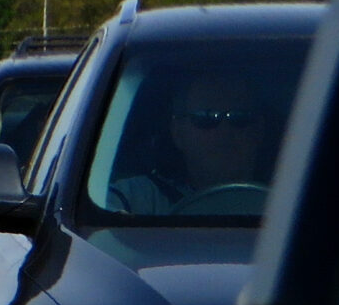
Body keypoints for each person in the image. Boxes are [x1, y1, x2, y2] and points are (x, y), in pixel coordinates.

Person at [107, 71, 272, 215]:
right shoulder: (137, 199)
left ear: (259, 130)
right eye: (205, 117)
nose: (224, 131)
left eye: (239, 117)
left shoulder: (291, 201)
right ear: (178, 132)